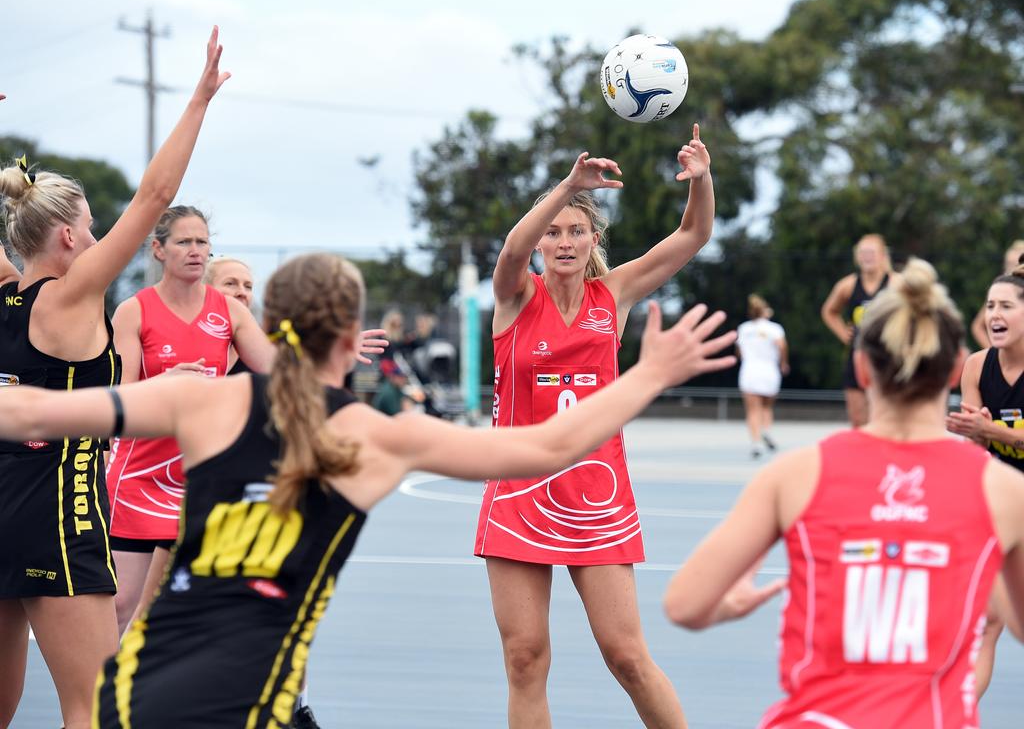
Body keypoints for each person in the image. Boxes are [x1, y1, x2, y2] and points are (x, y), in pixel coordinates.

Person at [0, 252, 736, 727]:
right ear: (354, 340)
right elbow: (549, 446)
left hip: (135, 696)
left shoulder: (198, 399)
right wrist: (650, 374)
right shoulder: (373, 437)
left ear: (265, 325)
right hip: (248, 703)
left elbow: (28, 407)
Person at [664, 258, 1024, 728]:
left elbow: (685, 605)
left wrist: (729, 604)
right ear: (958, 365)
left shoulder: (796, 474)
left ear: (862, 367)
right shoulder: (1001, 490)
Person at [0, 28, 229, 729]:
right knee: (94, 710)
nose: (101, 241)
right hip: (55, 517)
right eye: (94, 230)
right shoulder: (66, 300)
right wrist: (198, 100)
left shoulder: (6, 294)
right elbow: (157, 194)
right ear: (68, 238)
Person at [477, 124, 714, 729]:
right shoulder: (514, 295)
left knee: (627, 655)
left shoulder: (614, 294)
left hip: (596, 496)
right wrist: (567, 188)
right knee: (525, 657)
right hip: (520, 491)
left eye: (576, 230)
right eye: (552, 231)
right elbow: (508, 250)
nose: (562, 240)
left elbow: (693, 234)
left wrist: (702, 181)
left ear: (593, 239)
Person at [105, 206, 277, 635]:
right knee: (121, 603)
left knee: (182, 608)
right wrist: (165, 383)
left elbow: (281, 373)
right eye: (184, 242)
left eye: (202, 242)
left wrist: (333, 351)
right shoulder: (134, 311)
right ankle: (93, 697)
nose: (196, 251)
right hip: (139, 476)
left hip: (198, 476)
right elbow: (118, 401)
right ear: (158, 249)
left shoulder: (230, 313)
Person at [947, 260, 1024, 698]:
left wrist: (991, 431)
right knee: (987, 621)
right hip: (1001, 505)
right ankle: (956, 716)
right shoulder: (977, 366)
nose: (995, 314)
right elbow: (975, 447)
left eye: (1007, 306)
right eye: (990, 305)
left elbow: (987, 432)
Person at [821, 233, 893, 427]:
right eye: (863, 252)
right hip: (858, 356)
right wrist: (844, 334)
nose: (867, 256)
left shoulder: (897, 283)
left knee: (885, 419)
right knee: (859, 421)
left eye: (871, 252)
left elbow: (919, 310)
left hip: (888, 358)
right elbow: (829, 311)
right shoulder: (848, 285)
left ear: (883, 256)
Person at [736, 294, 788, 458]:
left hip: (750, 370)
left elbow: (739, 351)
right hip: (769, 370)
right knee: (766, 407)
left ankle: (756, 442)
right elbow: (782, 346)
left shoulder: (744, 328)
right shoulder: (775, 329)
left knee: (752, 410)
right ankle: (766, 430)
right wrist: (783, 363)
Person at [205, 255, 256, 374]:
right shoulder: (181, 344)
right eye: (230, 283)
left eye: (248, 287)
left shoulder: (260, 349)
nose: (242, 292)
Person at [970, 241, 1024, 348]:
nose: (1011, 269)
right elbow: (977, 327)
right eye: (1008, 264)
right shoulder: (999, 292)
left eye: (1015, 264)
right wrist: (994, 352)